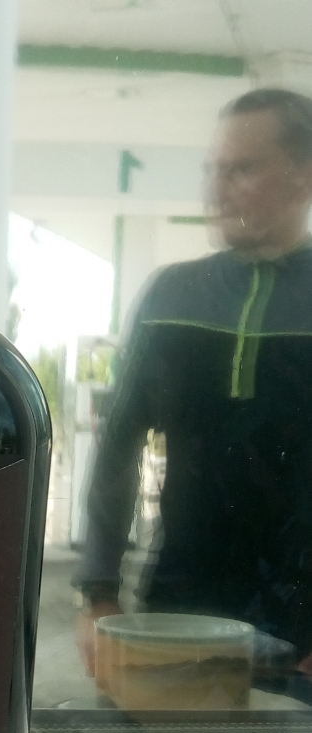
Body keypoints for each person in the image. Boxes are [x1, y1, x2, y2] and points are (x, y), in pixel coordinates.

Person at [76, 88, 312, 678]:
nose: (215, 189)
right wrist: (98, 592)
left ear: (303, 177)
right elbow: (118, 449)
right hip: (177, 611)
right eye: (212, 169)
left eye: (242, 169)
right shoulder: (170, 296)